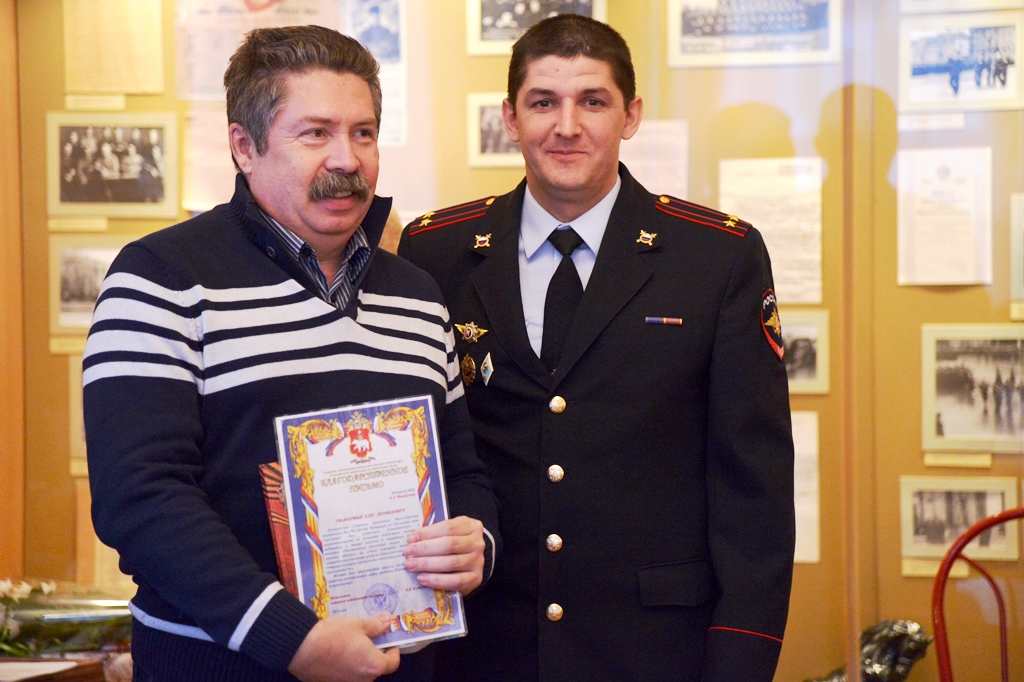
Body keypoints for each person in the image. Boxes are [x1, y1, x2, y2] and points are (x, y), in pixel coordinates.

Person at [84, 25, 500, 682]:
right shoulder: (160, 277)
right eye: (315, 134)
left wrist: (477, 541)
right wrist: (290, 638)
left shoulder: (418, 294)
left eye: (363, 133)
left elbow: (462, 474)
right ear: (244, 147)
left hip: (399, 663)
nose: (347, 158)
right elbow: (139, 498)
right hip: (218, 667)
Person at [399, 14, 794, 681]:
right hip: (484, 646)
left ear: (630, 116)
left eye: (592, 101)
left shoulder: (716, 257)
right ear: (510, 118)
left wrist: (739, 662)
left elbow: (753, 489)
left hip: (653, 649)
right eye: (542, 102)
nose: (567, 126)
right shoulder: (437, 250)